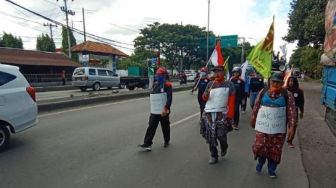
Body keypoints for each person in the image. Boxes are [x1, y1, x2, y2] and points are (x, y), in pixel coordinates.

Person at [250, 72, 297, 178]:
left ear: (282, 83)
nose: (276, 84)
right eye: (274, 82)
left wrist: (292, 127)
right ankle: (260, 162)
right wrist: (253, 119)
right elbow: (256, 106)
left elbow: (292, 112)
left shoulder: (287, 95)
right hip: (263, 127)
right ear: (270, 82)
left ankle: (272, 169)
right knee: (260, 146)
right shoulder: (263, 92)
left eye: (278, 83)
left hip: (278, 129)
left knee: (275, 150)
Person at [201, 65, 236, 164]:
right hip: (209, 113)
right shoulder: (210, 84)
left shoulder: (229, 85)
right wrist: (206, 94)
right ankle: (213, 155)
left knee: (221, 135)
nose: (217, 73)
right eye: (215, 72)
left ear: (223, 73)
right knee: (211, 135)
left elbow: (232, 101)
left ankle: (224, 146)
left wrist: (230, 116)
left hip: (222, 114)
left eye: (219, 71)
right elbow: (204, 99)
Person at [138, 67, 173, 151]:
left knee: (165, 126)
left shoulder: (167, 85)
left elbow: (169, 98)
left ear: (164, 75)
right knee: (151, 126)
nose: (157, 76)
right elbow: (153, 95)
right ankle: (147, 143)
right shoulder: (155, 84)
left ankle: (166, 140)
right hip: (155, 110)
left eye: (159, 75)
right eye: (157, 74)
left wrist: (166, 108)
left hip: (163, 110)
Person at [285, 76, 304, 148]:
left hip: (294, 111)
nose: (291, 83)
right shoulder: (284, 90)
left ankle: (290, 141)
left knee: (293, 126)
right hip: (285, 110)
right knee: (283, 126)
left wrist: (302, 112)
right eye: (289, 81)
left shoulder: (299, 91)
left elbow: (301, 103)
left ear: (295, 82)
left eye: (292, 81)